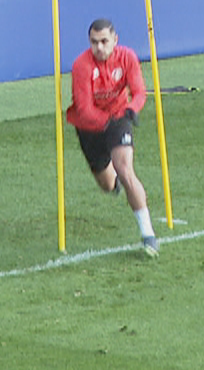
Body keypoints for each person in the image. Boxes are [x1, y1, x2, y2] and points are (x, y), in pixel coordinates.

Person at [67, 19, 162, 256]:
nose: (99, 47)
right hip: (89, 125)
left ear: (115, 40)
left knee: (126, 171)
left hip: (118, 118)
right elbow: (84, 107)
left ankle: (148, 235)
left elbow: (139, 91)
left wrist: (132, 110)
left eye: (104, 42)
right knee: (107, 184)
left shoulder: (127, 57)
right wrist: (106, 123)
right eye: (94, 42)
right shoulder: (81, 66)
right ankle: (114, 182)